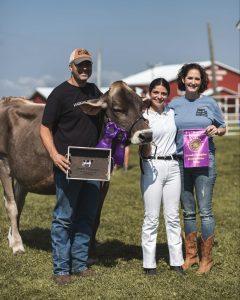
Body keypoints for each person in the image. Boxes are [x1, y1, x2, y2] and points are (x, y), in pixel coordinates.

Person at [40, 48, 103, 285]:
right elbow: (44, 127)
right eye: (80, 65)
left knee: (86, 217)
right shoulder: (59, 94)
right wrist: (55, 155)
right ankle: (60, 269)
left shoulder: (95, 91)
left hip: (93, 165)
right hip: (68, 164)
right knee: (64, 218)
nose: (85, 69)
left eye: (88, 65)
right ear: (70, 67)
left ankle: (79, 264)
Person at [169, 63, 226, 274]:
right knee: (188, 212)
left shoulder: (209, 103)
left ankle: (207, 259)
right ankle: (191, 256)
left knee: (205, 211)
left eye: (197, 79)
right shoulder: (174, 104)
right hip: (181, 163)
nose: (193, 82)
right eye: (189, 78)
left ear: (202, 82)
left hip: (204, 162)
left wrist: (216, 130)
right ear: (182, 80)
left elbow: (223, 127)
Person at [140, 78, 184, 276]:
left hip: (173, 165)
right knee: (151, 217)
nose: (159, 96)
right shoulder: (142, 115)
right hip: (152, 165)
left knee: (173, 216)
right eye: (156, 92)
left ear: (168, 95)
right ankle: (149, 264)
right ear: (150, 93)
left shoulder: (172, 113)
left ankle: (177, 261)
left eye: (163, 93)